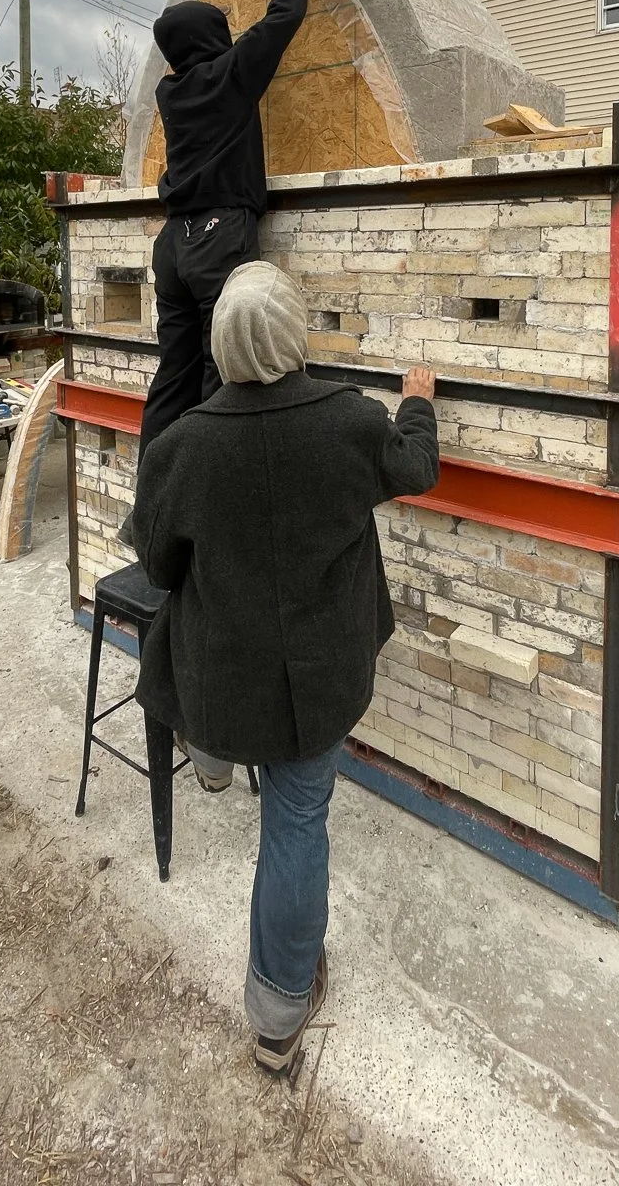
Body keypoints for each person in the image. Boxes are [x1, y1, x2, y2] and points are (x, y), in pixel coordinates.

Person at [133, 262, 439, 1074]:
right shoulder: (348, 423)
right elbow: (415, 468)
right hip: (317, 682)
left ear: (220, 343)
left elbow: (160, 570)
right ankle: (278, 1012)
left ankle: (212, 754)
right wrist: (419, 402)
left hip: (222, 676)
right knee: (297, 824)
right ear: (296, 334)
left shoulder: (183, 446)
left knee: (192, 668)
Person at [136, 0, 316, 461]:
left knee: (175, 370)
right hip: (218, 238)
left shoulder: (170, 94)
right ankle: (213, 487)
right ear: (207, 38)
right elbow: (278, 22)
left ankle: (156, 489)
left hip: (173, 246)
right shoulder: (228, 78)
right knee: (226, 366)